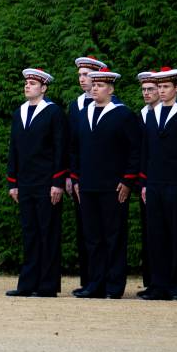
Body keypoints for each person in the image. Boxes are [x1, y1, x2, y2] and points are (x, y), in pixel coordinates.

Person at [69, 69, 139, 299]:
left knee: (113, 237)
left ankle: (114, 286)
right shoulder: (83, 114)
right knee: (92, 238)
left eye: (100, 85)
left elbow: (134, 151)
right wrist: (76, 178)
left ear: (111, 89)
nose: (95, 88)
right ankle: (95, 283)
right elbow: (76, 150)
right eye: (94, 84)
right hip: (87, 186)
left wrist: (128, 181)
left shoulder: (123, 114)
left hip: (113, 187)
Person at [5, 68, 66, 297]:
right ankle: (27, 284)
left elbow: (60, 149)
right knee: (30, 233)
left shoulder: (53, 113)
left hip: (47, 183)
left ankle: (47, 285)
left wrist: (58, 182)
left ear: (44, 87)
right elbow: (14, 150)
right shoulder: (19, 112)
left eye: (32, 83)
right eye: (26, 82)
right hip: (26, 183)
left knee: (48, 233)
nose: (27, 86)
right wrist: (13, 182)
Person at [138, 67, 177, 301]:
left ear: (176, 88)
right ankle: (158, 285)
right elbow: (145, 152)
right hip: (153, 183)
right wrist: (143, 183)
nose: (161, 91)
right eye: (159, 87)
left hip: (175, 184)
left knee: (176, 235)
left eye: (165, 87)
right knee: (156, 235)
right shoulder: (151, 114)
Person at [66, 55, 106, 292]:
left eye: (87, 75)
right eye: (80, 75)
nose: (82, 79)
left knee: (104, 231)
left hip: (103, 179)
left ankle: (107, 281)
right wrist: (72, 176)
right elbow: (72, 145)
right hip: (81, 179)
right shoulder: (76, 105)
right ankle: (88, 280)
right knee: (85, 230)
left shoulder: (112, 105)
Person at [133, 70, 157, 297]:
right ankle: (151, 280)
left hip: (164, 182)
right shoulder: (142, 114)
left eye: (151, 89)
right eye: (144, 89)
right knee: (149, 232)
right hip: (146, 182)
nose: (147, 93)